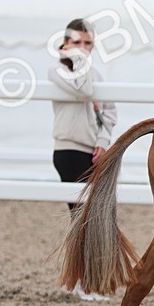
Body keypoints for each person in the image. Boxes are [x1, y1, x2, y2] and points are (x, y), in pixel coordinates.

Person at [49, 18, 116, 212]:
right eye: (77, 43)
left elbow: (109, 111)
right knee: (81, 215)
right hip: (69, 150)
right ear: (66, 43)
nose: (82, 48)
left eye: (87, 43)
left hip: (94, 152)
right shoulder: (56, 70)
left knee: (96, 213)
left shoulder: (95, 74)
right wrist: (78, 57)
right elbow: (84, 89)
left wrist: (103, 141)